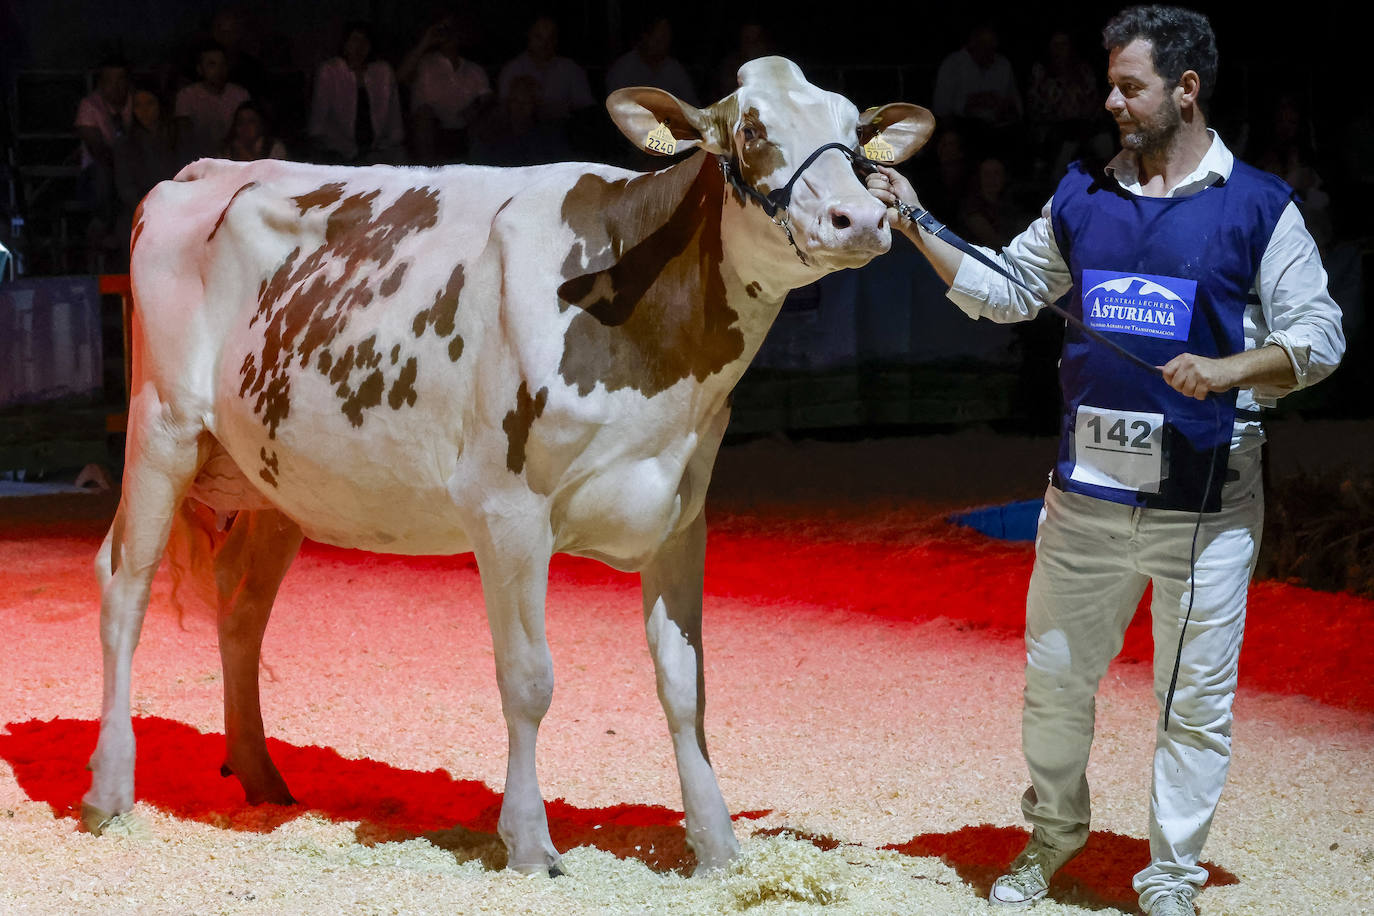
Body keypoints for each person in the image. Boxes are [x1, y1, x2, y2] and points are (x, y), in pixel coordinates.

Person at [867, 6, 1344, 915]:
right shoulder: (1082, 195)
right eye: (1112, 83)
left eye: (1130, 85)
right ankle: (1052, 835)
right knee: (1052, 687)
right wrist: (916, 217)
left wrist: (1229, 368)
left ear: (1186, 91)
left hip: (1205, 511)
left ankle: (1169, 876)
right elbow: (1006, 293)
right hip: (1083, 503)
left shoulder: (1259, 208)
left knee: (1190, 706)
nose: (1110, 100)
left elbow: (1319, 339)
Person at [397, 12, 491, 164]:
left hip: (463, 131)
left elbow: (487, 100)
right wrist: (426, 42)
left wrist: (477, 107)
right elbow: (399, 77)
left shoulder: (474, 70)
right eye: (444, 29)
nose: (449, 35)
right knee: (424, 115)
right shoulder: (423, 63)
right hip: (429, 133)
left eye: (453, 30)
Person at [307, 20, 405, 164]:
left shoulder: (383, 72)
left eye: (365, 41)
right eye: (355, 40)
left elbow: (394, 120)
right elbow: (319, 124)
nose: (360, 46)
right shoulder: (329, 71)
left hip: (378, 153)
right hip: (337, 153)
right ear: (345, 43)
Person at [931, 24, 1022, 158]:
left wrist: (1003, 106)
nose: (989, 51)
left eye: (992, 46)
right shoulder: (953, 64)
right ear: (972, 44)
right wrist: (972, 102)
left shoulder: (1003, 65)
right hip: (965, 128)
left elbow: (1015, 104)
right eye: (984, 45)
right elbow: (941, 109)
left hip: (999, 128)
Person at [73, 57, 132, 234]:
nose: (116, 86)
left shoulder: (137, 100)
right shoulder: (89, 105)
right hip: (98, 175)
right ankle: (102, 223)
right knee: (103, 171)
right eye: (110, 80)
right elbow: (97, 149)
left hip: (133, 168)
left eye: (121, 79)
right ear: (101, 83)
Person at [175, 43, 251, 157]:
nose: (219, 70)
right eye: (212, 65)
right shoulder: (187, 96)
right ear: (200, 69)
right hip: (198, 157)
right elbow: (184, 135)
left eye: (223, 64)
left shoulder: (240, 95)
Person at [605, 15, 698, 105]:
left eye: (667, 39)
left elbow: (692, 106)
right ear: (645, 37)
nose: (664, 45)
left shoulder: (674, 70)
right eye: (659, 39)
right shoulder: (623, 70)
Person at [223, 100, 287, 161]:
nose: (245, 127)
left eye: (251, 121)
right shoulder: (228, 148)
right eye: (240, 122)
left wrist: (245, 154)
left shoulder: (275, 148)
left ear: (261, 125)